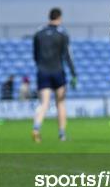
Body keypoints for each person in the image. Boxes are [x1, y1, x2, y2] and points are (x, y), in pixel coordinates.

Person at [32, 8, 77, 142]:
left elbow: (35, 54)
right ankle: (62, 134)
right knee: (60, 103)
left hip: (43, 71)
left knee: (44, 103)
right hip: (58, 71)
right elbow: (68, 56)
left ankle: (36, 128)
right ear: (59, 17)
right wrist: (74, 74)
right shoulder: (62, 34)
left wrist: (40, 66)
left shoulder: (39, 33)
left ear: (49, 17)